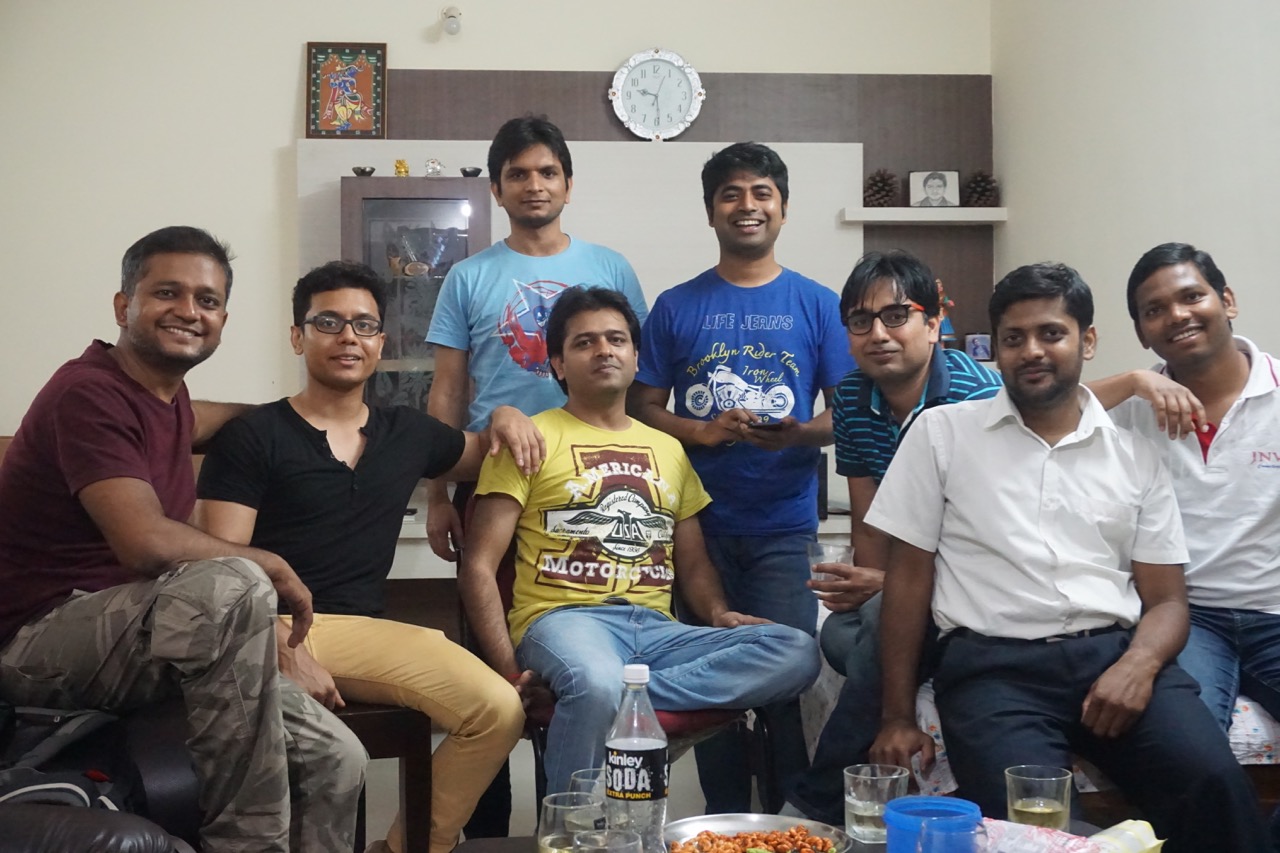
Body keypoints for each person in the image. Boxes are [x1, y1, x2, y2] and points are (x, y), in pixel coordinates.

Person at [868, 262, 1266, 852]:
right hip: (992, 671)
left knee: (1213, 786)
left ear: (1088, 340)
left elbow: (1168, 603)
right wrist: (896, 715)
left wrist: (1138, 666)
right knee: (1033, 827)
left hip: (1113, 654)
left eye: (1051, 333)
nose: (1032, 350)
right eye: (1013, 338)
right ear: (995, 350)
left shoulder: (1134, 455)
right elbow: (906, 583)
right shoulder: (942, 434)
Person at [0, 226, 366, 852]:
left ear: (223, 317)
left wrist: (290, 418)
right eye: (167, 292)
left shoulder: (167, 398)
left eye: (207, 300)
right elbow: (143, 542)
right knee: (232, 583)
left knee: (336, 755)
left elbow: (208, 420)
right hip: (39, 641)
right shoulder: (86, 392)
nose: (189, 311)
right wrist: (271, 563)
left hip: (140, 638)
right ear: (124, 306)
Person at [195, 261, 535, 853]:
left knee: (499, 711)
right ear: (299, 336)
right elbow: (222, 570)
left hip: (361, 631)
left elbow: (486, 454)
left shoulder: (407, 433)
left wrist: (504, 413)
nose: (348, 336)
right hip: (267, 628)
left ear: (381, 342)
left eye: (364, 324)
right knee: (488, 706)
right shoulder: (254, 437)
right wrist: (279, 650)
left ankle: (403, 847)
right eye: (329, 322)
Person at [460, 286, 820, 795]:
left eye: (617, 339)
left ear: (636, 357)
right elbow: (478, 565)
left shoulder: (669, 449)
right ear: (558, 364)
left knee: (797, 650)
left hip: (656, 631)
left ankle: (614, 698)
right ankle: (575, 835)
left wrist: (718, 614)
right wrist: (509, 671)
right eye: (585, 343)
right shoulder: (530, 438)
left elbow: (692, 563)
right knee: (596, 677)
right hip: (563, 622)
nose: (604, 350)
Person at [425, 114, 649, 834]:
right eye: (518, 173)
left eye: (547, 171)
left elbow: (637, 383)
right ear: (496, 188)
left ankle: (585, 814)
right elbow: (448, 391)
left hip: (594, 481)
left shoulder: (610, 267)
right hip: (491, 480)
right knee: (490, 670)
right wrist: (436, 491)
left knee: (582, 653)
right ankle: (487, 829)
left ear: (569, 184)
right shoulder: (469, 276)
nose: (534, 184)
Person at [630, 141, 854, 812]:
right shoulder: (675, 305)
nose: (747, 205)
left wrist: (796, 432)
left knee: (787, 679)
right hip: (692, 531)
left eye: (761, 192)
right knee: (706, 689)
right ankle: (725, 818)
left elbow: (847, 411)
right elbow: (641, 405)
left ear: (783, 208)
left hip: (786, 530)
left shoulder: (818, 304)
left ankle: (787, 818)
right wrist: (700, 431)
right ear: (711, 211)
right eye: (731, 193)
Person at [784, 250, 1002, 823]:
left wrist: (891, 590)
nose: (878, 333)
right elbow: (871, 523)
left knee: (879, 627)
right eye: (861, 321)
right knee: (837, 640)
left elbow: (992, 540)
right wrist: (868, 582)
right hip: (906, 588)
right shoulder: (852, 399)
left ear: (933, 323)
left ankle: (815, 801)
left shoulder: (979, 397)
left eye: (896, 316)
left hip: (974, 587)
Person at [1111, 243, 1280, 733]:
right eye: (1154, 311)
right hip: (1187, 619)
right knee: (1186, 743)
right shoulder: (1131, 411)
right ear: (1142, 333)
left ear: (1226, 301)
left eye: (1191, 297)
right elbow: (1040, 417)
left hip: (1273, 610)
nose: (1177, 316)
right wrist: (1130, 381)